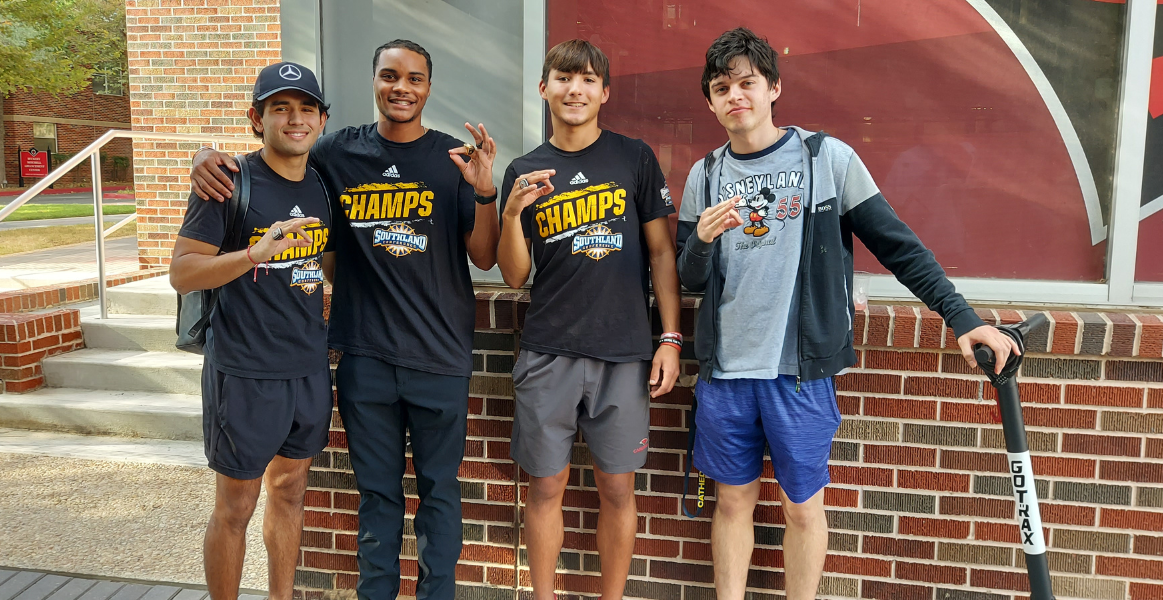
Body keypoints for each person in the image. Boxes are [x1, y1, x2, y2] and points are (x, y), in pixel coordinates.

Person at [675, 28, 1021, 600]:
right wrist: (702, 242)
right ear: (710, 102)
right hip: (726, 373)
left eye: (747, 83)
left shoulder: (826, 159)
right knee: (732, 502)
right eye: (721, 88)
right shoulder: (704, 175)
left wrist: (961, 317)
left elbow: (898, 246)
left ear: (773, 88)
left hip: (799, 376)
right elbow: (691, 279)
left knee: (803, 508)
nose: (735, 95)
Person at [188, 39, 500, 600]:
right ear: (374, 82)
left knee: (439, 495)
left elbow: (483, 256)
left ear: (429, 87)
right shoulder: (336, 154)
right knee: (376, 499)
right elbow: (275, 158)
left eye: (414, 78)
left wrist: (485, 193)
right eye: (390, 75)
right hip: (363, 356)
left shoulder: (453, 157)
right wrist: (203, 154)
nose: (401, 87)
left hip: (438, 356)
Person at [496, 39, 682, 600]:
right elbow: (514, 276)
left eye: (587, 79)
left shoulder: (634, 157)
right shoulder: (523, 171)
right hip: (548, 349)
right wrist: (512, 214)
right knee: (545, 487)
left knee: (617, 489)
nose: (574, 89)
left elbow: (662, 254)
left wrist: (670, 338)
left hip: (623, 351)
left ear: (604, 92)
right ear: (544, 88)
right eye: (563, 77)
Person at [169, 61, 333, 600]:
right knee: (236, 506)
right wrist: (253, 254)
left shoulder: (323, 183)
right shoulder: (227, 182)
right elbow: (182, 272)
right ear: (256, 119)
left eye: (306, 108)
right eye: (279, 108)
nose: (294, 119)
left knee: (290, 492)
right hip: (243, 370)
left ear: (322, 120)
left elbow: (328, 265)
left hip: (307, 369)